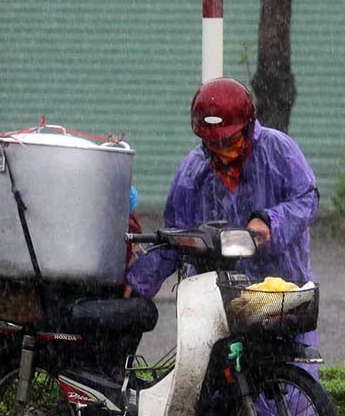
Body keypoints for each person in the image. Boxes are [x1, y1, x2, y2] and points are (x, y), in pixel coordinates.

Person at [124, 77, 318, 301]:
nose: (220, 150)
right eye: (212, 142)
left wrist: (270, 221)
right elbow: (177, 236)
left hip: (282, 292)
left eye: (227, 141)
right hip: (215, 296)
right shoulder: (193, 171)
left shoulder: (277, 150)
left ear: (248, 127)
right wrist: (139, 280)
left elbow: (306, 199)